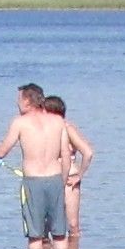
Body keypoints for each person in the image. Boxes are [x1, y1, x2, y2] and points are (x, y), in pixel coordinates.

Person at [0, 83, 72, 249]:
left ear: (28, 101)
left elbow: (2, 151)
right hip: (56, 179)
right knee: (59, 235)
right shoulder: (58, 121)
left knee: (35, 237)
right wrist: (62, 181)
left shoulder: (20, 123)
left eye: (19, 100)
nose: (17, 104)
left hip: (33, 182)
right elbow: (65, 154)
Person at [42, 95, 95, 239]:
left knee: (73, 225)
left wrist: (80, 175)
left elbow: (87, 152)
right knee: (45, 227)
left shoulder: (68, 129)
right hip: (50, 179)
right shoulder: (43, 130)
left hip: (69, 181)